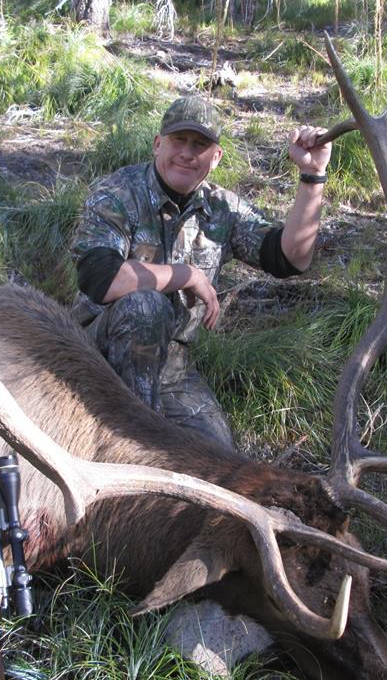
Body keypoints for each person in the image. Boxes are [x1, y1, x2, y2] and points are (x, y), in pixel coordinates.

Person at [70, 95, 331, 450]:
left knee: (220, 458)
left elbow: (290, 259)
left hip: (171, 372)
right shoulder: (117, 194)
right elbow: (101, 278)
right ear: (158, 144)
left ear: (216, 157)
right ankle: (137, 452)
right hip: (95, 359)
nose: (188, 153)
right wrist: (187, 275)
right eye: (179, 141)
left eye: (200, 144)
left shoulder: (223, 208)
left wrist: (312, 176)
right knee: (145, 306)